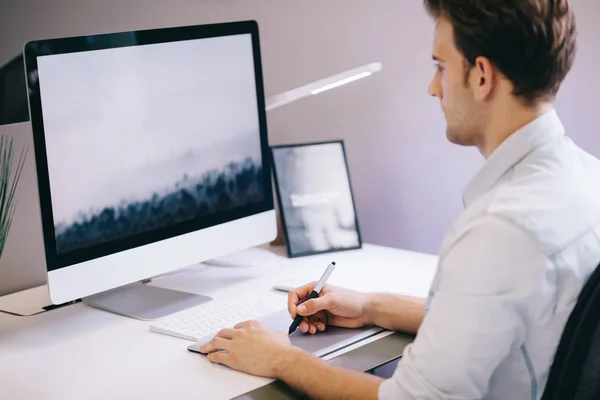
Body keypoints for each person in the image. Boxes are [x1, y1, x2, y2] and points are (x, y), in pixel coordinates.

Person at [199, 0, 600, 398]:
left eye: (440, 67)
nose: (433, 87)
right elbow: (496, 321)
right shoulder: (585, 177)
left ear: (481, 77)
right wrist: (371, 307)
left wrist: (282, 359)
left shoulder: (499, 229)